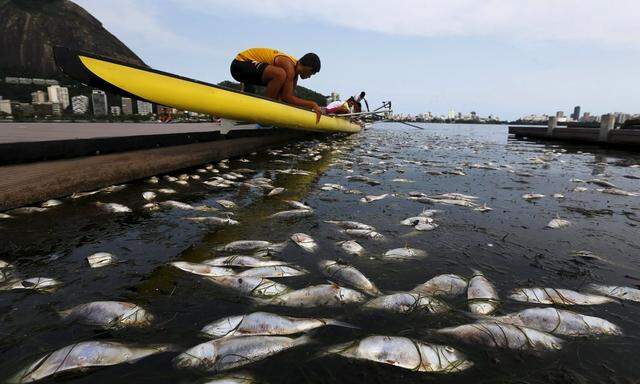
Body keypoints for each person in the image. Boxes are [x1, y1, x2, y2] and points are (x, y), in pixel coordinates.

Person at [230, 48, 323, 123]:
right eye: (311, 73)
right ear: (308, 68)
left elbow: (287, 98)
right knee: (280, 74)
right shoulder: (289, 66)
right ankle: (266, 110)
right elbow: (287, 97)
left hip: (248, 73)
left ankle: (250, 108)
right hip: (239, 64)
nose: (310, 76)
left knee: (281, 83)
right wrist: (312, 104)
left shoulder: (294, 75)